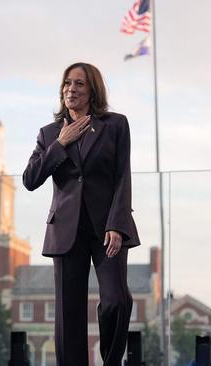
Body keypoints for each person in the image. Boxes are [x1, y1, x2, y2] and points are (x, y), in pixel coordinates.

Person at [23, 62, 140, 366]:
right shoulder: (49, 134)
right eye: (67, 84)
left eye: (79, 84)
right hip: (66, 232)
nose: (71, 90)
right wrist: (61, 144)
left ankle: (111, 362)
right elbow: (30, 179)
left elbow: (122, 177)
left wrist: (117, 223)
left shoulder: (115, 125)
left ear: (92, 91)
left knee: (116, 300)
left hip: (107, 231)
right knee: (68, 315)